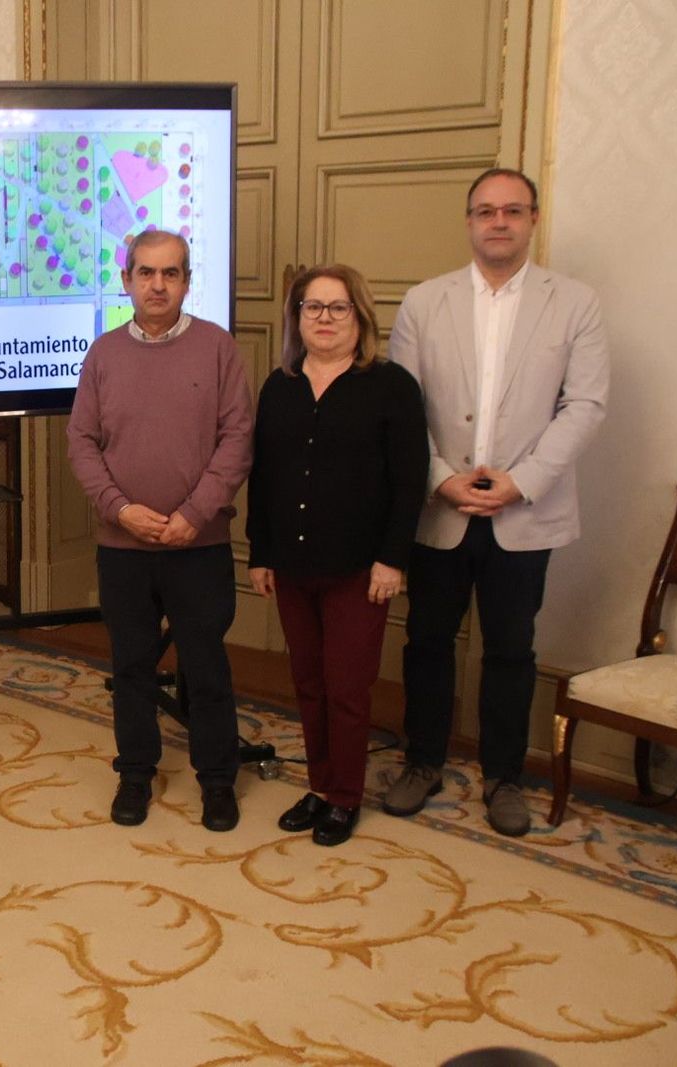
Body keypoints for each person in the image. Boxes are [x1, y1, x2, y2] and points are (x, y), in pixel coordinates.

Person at [383, 167, 609, 836]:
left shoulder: (575, 303)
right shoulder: (425, 302)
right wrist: (439, 477)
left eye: (512, 210)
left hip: (525, 509)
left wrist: (525, 478)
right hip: (441, 505)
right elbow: (403, 407)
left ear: (533, 218)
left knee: (512, 648)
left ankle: (505, 776)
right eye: (486, 211)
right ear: (470, 221)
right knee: (426, 640)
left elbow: (587, 404)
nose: (499, 221)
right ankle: (422, 760)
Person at [66, 229, 254, 832]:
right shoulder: (103, 355)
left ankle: (218, 779)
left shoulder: (218, 349)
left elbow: (237, 442)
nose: (157, 285)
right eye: (145, 273)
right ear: (126, 280)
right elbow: (81, 443)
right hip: (123, 546)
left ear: (187, 281)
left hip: (197, 544)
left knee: (205, 666)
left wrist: (192, 515)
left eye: (171, 273)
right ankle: (136, 772)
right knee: (131, 666)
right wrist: (121, 509)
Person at [246, 264, 428, 846]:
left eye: (337, 307)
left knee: (347, 688)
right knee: (308, 683)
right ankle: (321, 785)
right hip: (293, 567)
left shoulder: (391, 385)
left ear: (360, 317)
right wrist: (260, 553)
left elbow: (409, 481)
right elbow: (266, 475)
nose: (323, 319)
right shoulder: (280, 385)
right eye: (312, 307)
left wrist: (391, 559)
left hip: (359, 569)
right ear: (296, 318)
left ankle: (345, 796)